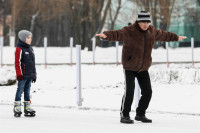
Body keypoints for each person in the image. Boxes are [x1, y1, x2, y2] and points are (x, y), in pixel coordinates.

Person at [96, 11, 187, 124]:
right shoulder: (129, 30)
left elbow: (164, 35)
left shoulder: (152, 31)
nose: (145, 24)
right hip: (130, 66)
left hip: (143, 68)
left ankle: (140, 114)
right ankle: (124, 115)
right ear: (138, 22)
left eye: (147, 22)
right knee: (129, 91)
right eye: (143, 22)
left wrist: (176, 37)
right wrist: (106, 35)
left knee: (148, 92)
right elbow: (118, 34)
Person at [14, 30, 37, 117]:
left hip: (29, 75)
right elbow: (17, 62)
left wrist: (34, 74)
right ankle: (17, 107)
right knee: (20, 90)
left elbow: (32, 63)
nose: (30, 39)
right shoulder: (19, 49)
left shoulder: (31, 49)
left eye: (30, 38)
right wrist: (19, 74)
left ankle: (27, 108)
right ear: (23, 39)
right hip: (22, 76)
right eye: (28, 38)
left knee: (27, 91)